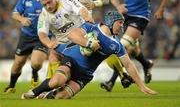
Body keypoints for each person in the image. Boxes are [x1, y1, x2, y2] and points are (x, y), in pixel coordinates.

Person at [21, 11, 158, 99]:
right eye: (120, 23)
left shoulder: (116, 45)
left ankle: (45, 96)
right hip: (72, 61)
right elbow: (73, 35)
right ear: (111, 21)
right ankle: (34, 92)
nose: (122, 26)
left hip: (85, 74)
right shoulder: (91, 27)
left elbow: (128, 64)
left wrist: (142, 86)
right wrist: (88, 43)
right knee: (57, 81)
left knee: (61, 97)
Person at [100, 0, 170, 92]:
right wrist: (118, 6)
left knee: (121, 47)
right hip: (126, 17)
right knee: (133, 48)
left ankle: (113, 81)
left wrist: (161, 9)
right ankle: (146, 64)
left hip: (141, 17)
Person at [46, 0, 111, 79]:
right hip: (66, 24)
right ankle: (50, 84)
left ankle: (121, 74)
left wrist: (94, 3)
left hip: (84, 26)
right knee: (54, 54)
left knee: (107, 44)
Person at [4, 0, 48, 93]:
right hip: (27, 36)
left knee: (36, 62)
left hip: (42, 36)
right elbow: (15, 14)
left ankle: (35, 73)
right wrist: (22, 19)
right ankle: (11, 85)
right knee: (18, 63)